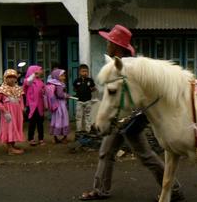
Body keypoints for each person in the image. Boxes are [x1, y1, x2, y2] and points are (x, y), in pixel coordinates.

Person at [80, 25, 184, 201]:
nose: (107, 44)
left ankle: (173, 190)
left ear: (117, 46)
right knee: (107, 152)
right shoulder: (116, 64)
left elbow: (141, 93)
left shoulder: (131, 67)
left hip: (130, 119)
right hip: (119, 118)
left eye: (109, 42)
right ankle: (100, 189)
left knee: (145, 156)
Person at [0, 69, 25, 155]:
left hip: (17, 113)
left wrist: (22, 109)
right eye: (9, 77)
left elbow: (21, 100)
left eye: (14, 77)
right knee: (9, 128)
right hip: (7, 113)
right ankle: (10, 149)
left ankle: (12, 145)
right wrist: (4, 110)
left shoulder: (18, 88)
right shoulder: (2, 89)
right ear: (5, 78)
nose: (12, 79)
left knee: (16, 128)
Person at [23, 65, 45, 146]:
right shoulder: (28, 81)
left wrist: (43, 91)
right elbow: (26, 84)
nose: (40, 72)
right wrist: (33, 75)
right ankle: (31, 139)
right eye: (39, 71)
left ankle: (41, 138)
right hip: (31, 106)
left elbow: (44, 90)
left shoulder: (40, 81)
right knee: (32, 123)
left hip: (40, 105)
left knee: (40, 123)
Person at [47, 69, 70, 144]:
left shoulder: (52, 83)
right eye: (62, 76)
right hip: (61, 105)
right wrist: (66, 95)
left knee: (56, 120)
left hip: (56, 105)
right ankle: (64, 137)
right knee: (63, 119)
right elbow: (60, 95)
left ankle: (55, 138)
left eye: (64, 75)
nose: (64, 77)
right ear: (56, 76)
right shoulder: (59, 85)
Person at [73, 64, 96, 133]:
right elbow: (74, 88)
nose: (85, 73)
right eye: (83, 71)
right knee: (78, 117)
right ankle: (79, 131)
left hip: (88, 101)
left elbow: (93, 88)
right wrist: (79, 91)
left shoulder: (90, 80)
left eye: (86, 71)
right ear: (79, 72)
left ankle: (88, 130)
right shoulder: (77, 80)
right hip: (79, 101)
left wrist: (90, 89)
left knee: (88, 116)